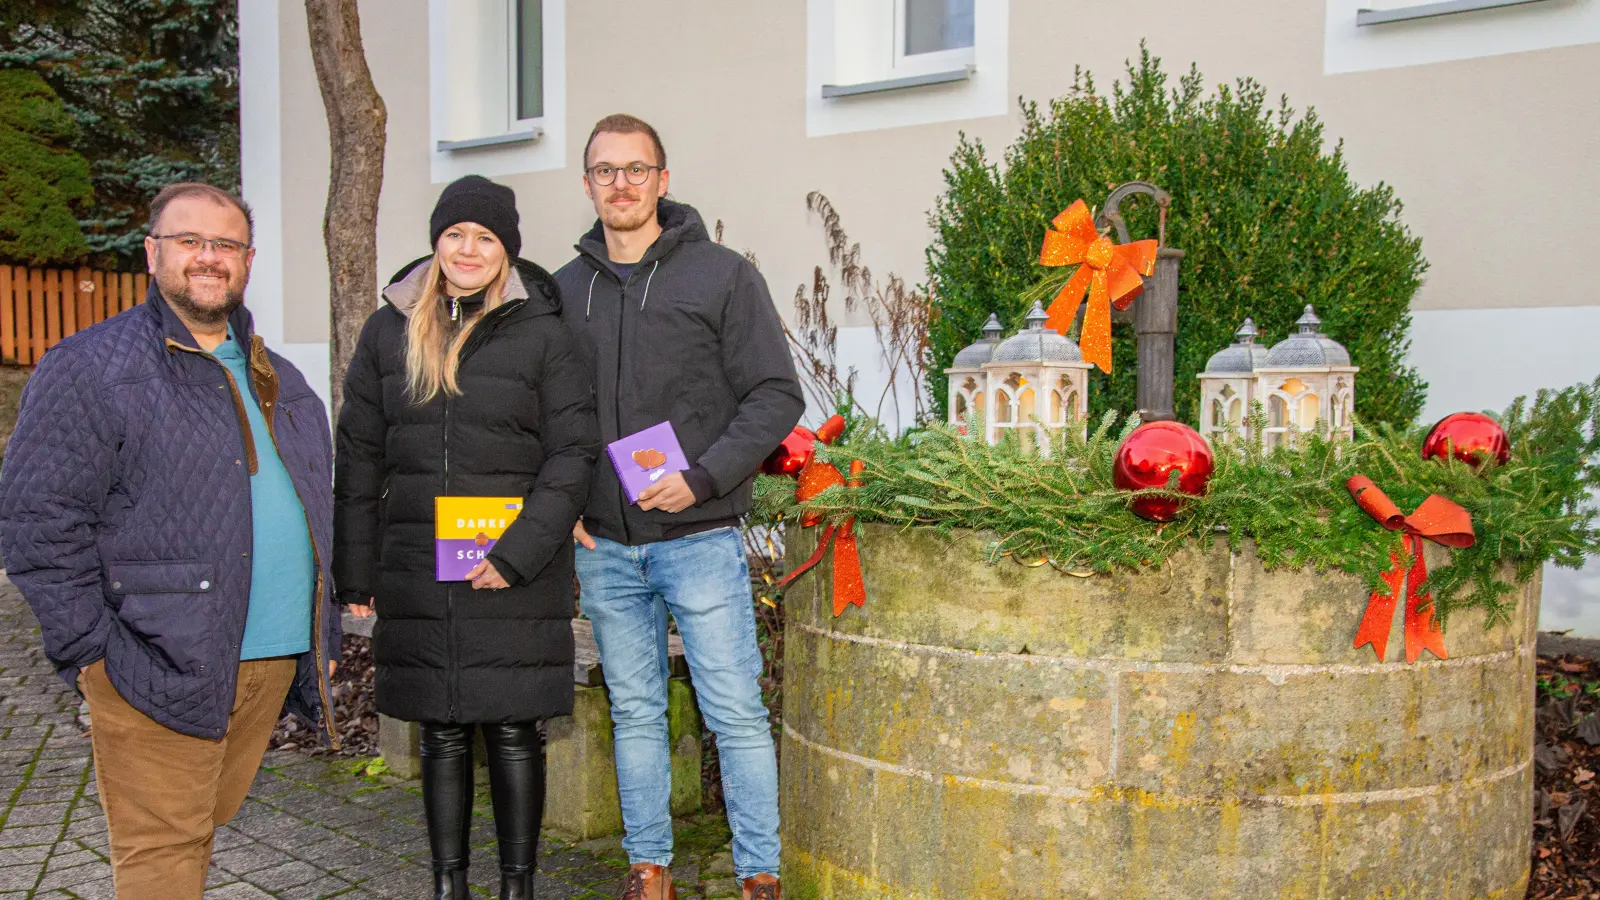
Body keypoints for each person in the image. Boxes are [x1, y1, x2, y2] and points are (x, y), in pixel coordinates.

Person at [0, 183, 340, 899]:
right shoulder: (92, 368)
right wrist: (92, 652)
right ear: (152, 252)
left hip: (267, 662)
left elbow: (311, 506)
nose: (207, 258)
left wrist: (321, 635)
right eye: (189, 241)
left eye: (225, 245)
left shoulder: (280, 376)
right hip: (153, 660)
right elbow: (37, 520)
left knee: (197, 827)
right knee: (163, 857)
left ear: (247, 261)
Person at [554, 114, 804, 900]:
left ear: (663, 180)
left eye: (636, 169)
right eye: (605, 170)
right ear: (588, 182)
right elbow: (544, 411)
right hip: (605, 546)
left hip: (698, 537)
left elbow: (775, 396)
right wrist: (561, 507)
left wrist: (702, 477)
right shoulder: (564, 293)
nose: (620, 183)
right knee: (635, 716)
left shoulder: (722, 276)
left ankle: (759, 873)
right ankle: (649, 868)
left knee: (734, 713)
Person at [334, 175, 600, 900]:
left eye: (485, 238)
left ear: (507, 249)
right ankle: (448, 885)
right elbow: (359, 455)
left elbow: (572, 454)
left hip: (515, 565)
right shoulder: (388, 329)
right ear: (436, 241)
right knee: (442, 729)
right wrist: (353, 577)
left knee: (513, 728)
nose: (468, 249)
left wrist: (516, 554)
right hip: (420, 563)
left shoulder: (545, 330)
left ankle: (518, 887)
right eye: (455, 235)